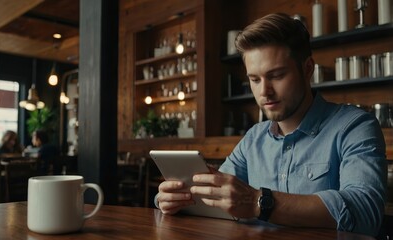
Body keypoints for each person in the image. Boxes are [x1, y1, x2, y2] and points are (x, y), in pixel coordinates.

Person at [156, 13, 387, 237]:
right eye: (254, 79)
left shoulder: (355, 126)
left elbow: (365, 214)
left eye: (276, 75)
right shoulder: (254, 138)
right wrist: (171, 198)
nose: (264, 92)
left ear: (307, 69)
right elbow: (217, 193)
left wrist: (259, 202)